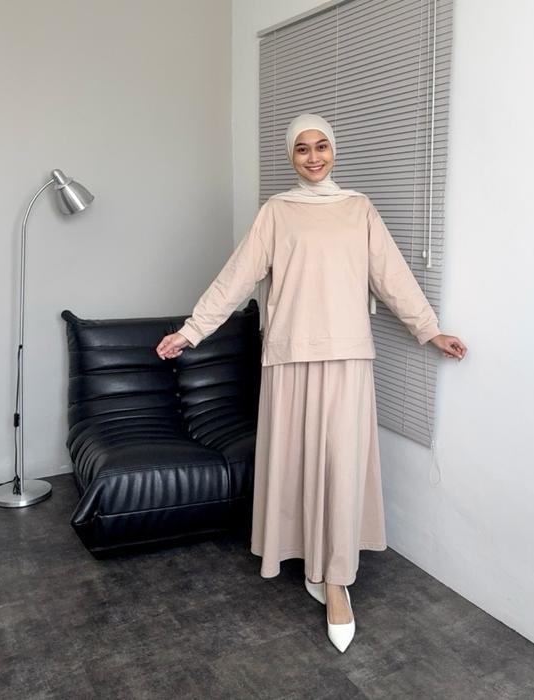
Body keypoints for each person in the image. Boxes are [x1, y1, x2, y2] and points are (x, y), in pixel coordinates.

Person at [156, 113, 467, 652]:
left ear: (334, 150)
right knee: (298, 461)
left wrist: (429, 329)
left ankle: (337, 578)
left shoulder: (359, 208)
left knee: (341, 464)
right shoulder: (277, 212)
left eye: (322, 146)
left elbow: (391, 275)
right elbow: (236, 278)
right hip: (290, 356)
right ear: (291, 156)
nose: (314, 157)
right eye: (302, 149)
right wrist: (191, 331)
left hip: (347, 355)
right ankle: (307, 558)